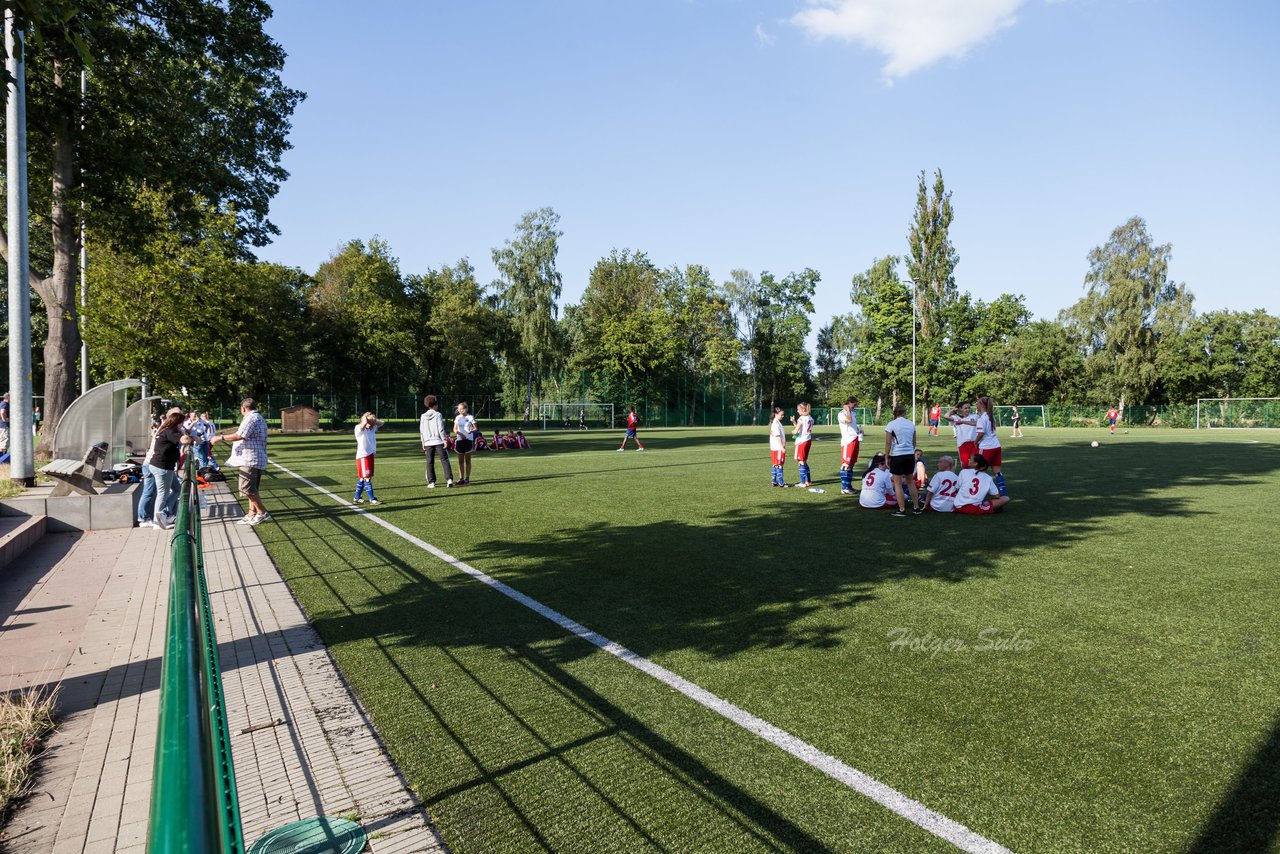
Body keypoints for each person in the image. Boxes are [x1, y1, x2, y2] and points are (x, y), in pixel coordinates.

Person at [211, 398, 271, 525]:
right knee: (252, 488)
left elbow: (240, 435)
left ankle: (262, 512)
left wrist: (219, 437)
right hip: (254, 458)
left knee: (246, 488)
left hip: (251, 459)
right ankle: (251, 514)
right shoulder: (257, 417)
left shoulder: (251, 418)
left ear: (243, 408)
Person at [144, 407, 192, 529]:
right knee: (163, 493)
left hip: (164, 466)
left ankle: (166, 514)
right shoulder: (170, 431)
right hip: (161, 467)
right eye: (182, 423)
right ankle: (157, 521)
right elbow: (185, 439)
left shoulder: (167, 429)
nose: (183, 425)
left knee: (177, 489)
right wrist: (188, 436)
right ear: (178, 423)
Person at [884, 403, 921, 517]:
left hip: (898, 455)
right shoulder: (911, 424)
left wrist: (886, 456)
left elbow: (888, 442)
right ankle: (916, 507)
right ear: (905, 413)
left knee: (898, 483)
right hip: (909, 455)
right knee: (911, 482)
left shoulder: (891, 424)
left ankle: (902, 509)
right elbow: (914, 442)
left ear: (895, 413)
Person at [973, 396, 1006, 496]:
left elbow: (981, 433)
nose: (976, 405)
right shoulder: (991, 416)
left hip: (986, 447)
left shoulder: (982, 418)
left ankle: (976, 493)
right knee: (997, 472)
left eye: (978, 403)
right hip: (996, 446)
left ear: (982, 405)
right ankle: (1004, 493)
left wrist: (975, 442)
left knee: (978, 470)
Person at [419, 395, 454, 488]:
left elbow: (421, 431)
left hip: (427, 442)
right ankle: (449, 479)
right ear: (435, 404)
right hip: (438, 441)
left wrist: (423, 442)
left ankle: (431, 482)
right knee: (444, 460)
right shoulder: (438, 414)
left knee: (429, 462)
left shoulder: (423, 416)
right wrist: (444, 440)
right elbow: (440, 428)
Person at [353, 412, 384, 505]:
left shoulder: (372, 427)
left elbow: (382, 423)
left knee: (363, 478)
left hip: (370, 455)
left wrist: (373, 420)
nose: (372, 425)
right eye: (370, 423)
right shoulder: (359, 428)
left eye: (373, 423)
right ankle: (372, 499)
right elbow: (362, 425)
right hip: (363, 456)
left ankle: (357, 497)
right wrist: (365, 418)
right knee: (367, 478)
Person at [837, 397, 861, 495]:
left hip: (855, 439)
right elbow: (849, 421)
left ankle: (849, 486)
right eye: (854, 405)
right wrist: (847, 409)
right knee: (846, 464)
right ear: (849, 403)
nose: (855, 407)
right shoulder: (841, 414)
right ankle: (844, 487)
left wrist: (859, 430)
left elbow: (853, 424)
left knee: (851, 464)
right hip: (848, 440)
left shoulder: (853, 413)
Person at [947, 402, 979, 469]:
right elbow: (946, 416)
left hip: (974, 443)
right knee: (965, 465)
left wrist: (963, 422)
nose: (968, 409)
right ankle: (966, 478)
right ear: (960, 409)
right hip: (962, 444)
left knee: (975, 464)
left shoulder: (975, 416)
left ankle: (974, 478)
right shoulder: (956, 417)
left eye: (969, 408)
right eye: (965, 408)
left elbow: (978, 423)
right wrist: (953, 410)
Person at [453, 402, 477, 485]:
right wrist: (460, 434)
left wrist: (471, 431)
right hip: (460, 441)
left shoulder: (470, 417)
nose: (460, 411)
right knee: (460, 461)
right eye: (459, 409)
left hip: (468, 441)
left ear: (466, 409)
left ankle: (467, 479)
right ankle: (461, 478)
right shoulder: (457, 418)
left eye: (462, 409)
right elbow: (455, 429)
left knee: (467, 461)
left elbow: (475, 428)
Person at [792, 402, 814, 487]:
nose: (797, 411)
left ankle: (802, 482)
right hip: (808, 440)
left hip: (801, 442)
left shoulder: (801, 418)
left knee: (801, 461)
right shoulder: (810, 418)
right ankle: (808, 481)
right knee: (804, 461)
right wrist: (794, 421)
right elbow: (802, 428)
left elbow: (796, 431)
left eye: (798, 409)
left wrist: (793, 432)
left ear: (803, 409)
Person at [768, 406, 787, 487]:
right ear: (776, 414)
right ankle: (781, 483)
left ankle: (774, 481)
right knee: (779, 464)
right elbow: (777, 436)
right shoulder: (776, 423)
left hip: (774, 447)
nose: (782, 416)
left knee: (775, 464)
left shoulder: (775, 422)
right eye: (781, 415)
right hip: (778, 447)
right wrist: (782, 447)